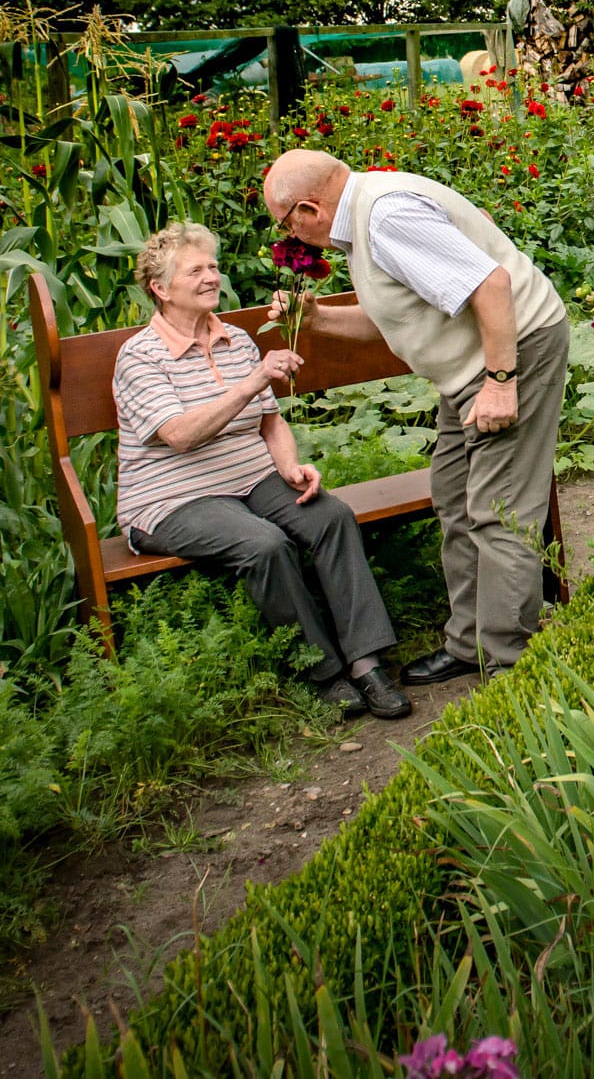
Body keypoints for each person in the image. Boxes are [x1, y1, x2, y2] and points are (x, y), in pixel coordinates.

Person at [261, 147, 567, 682]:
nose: (291, 237)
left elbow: (490, 285)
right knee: (453, 497)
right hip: (467, 370)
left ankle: (509, 664)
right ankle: (469, 642)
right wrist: (317, 319)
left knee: (501, 511)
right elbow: (398, 314)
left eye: (286, 224)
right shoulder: (364, 216)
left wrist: (499, 383)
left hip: (510, 356)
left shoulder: (386, 217)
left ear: (309, 208)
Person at [111, 221, 410, 719]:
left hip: (249, 480)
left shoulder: (236, 339)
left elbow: (271, 425)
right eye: (195, 270)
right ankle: (321, 671)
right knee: (262, 544)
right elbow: (181, 435)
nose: (211, 276)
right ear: (160, 289)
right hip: (172, 501)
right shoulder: (140, 357)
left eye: (212, 265)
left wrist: (291, 466)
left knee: (330, 516)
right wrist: (251, 382)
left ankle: (365, 663)